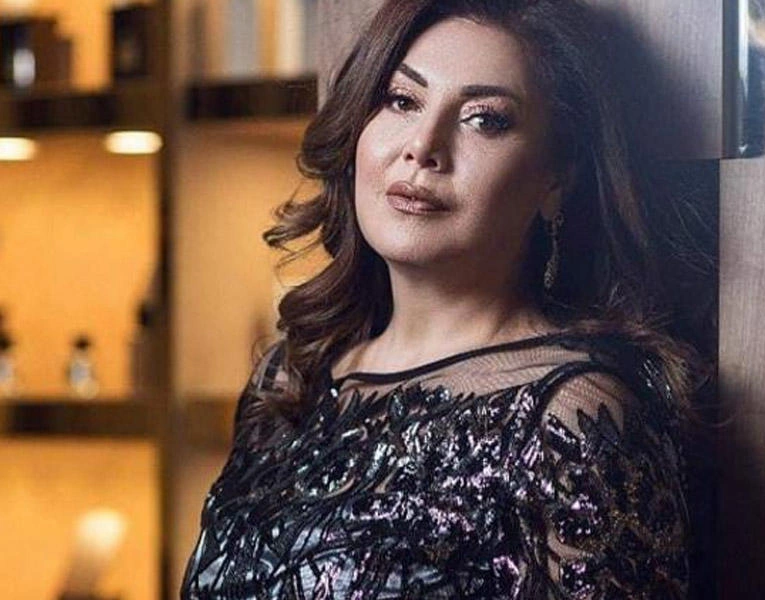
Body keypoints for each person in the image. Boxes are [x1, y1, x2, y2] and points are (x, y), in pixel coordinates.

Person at [181, 0, 698, 597]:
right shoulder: (290, 381)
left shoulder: (571, 416)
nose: (423, 146)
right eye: (402, 101)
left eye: (485, 120)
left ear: (556, 176)